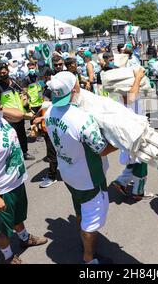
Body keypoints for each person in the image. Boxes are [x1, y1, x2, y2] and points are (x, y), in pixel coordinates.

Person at [45, 72, 118, 264]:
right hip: (89, 178)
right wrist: (122, 143)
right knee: (91, 222)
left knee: (80, 209)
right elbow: (101, 150)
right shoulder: (81, 119)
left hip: (69, 173)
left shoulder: (48, 112)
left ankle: (84, 237)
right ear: (75, 90)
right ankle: (89, 259)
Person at [0, 91, 48, 264]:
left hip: (16, 182)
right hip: (1, 190)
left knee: (18, 216)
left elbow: (19, 115)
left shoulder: (0, 119)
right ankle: (8, 256)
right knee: (2, 228)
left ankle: (25, 238)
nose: (1, 107)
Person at [112, 67, 155, 201]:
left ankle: (121, 182)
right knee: (142, 162)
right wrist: (138, 78)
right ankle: (138, 192)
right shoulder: (126, 94)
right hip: (134, 133)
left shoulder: (122, 92)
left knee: (134, 160)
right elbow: (131, 99)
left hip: (133, 131)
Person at [0, 62, 35, 161]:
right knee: (11, 138)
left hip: (20, 114)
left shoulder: (15, 82)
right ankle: (13, 156)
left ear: (8, 70)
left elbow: (22, 94)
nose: (2, 74)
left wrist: (27, 105)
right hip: (9, 118)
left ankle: (24, 153)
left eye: (4, 72)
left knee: (22, 135)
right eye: (0, 73)